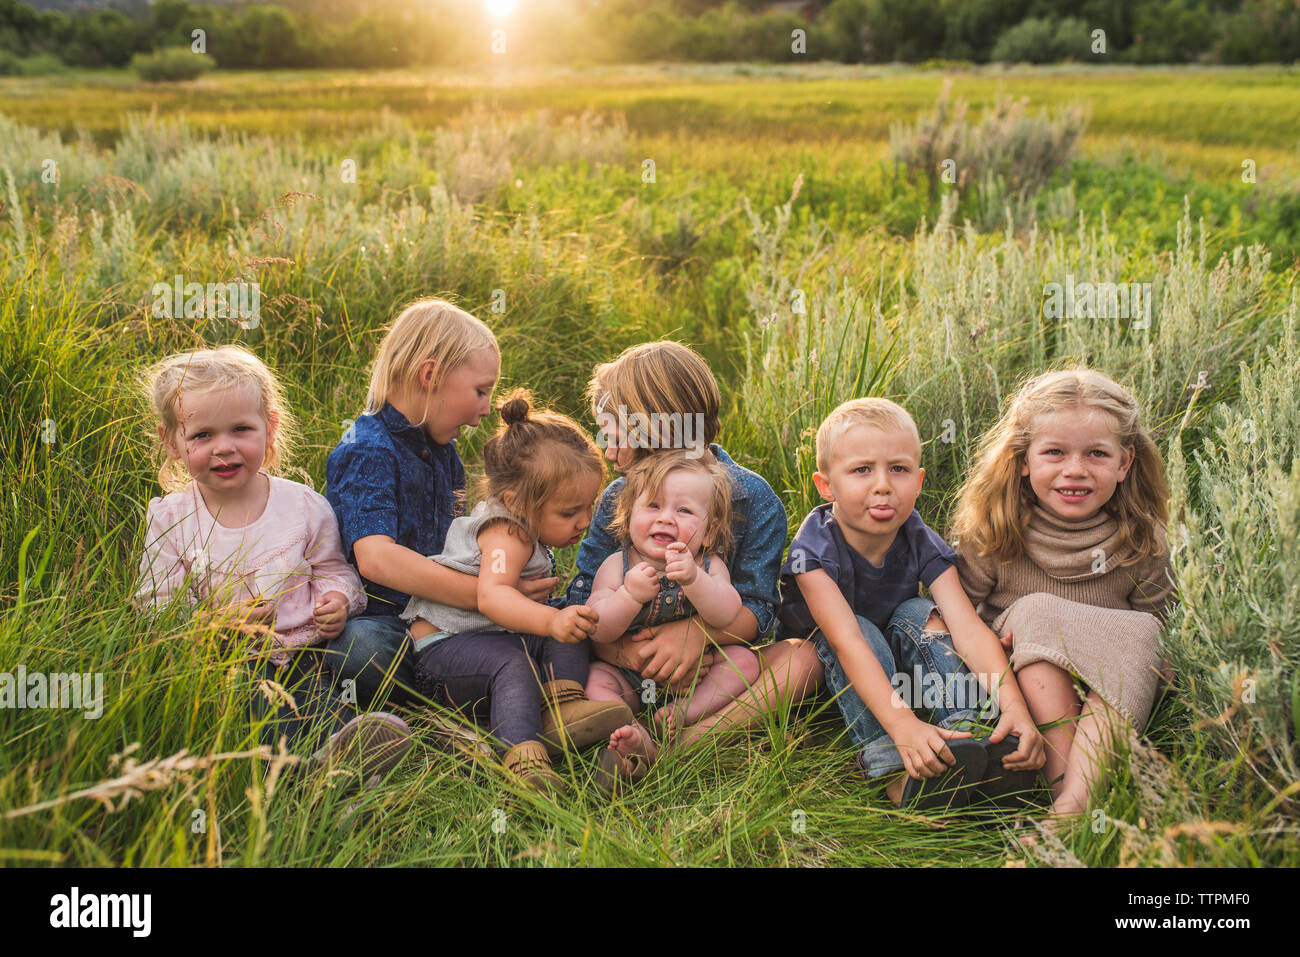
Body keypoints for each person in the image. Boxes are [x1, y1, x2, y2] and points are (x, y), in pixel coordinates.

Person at [135, 345, 411, 785]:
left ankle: (345, 758)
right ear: (172, 443)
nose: (224, 447)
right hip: (223, 656)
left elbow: (334, 570)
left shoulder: (302, 506)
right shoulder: (172, 518)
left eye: (241, 429)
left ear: (270, 428)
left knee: (318, 693)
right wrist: (214, 621)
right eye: (202, 435)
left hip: (305, 647)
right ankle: (303, 776)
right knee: (254, 696)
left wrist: (336, 599)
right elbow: (157, 603)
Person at [779, 397, 1045, 810]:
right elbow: (847, 641)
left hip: (892, 654)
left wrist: (1014, 705)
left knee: (921, 613)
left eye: (898, 469)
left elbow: (967, 627)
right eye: (862, 470)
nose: (883, 484)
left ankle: (971, 736)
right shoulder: (812, 549)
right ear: (826, 485)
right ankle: (895, 774)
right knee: (861, 628)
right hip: (832, 670)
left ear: (918, 481)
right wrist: (902, 722)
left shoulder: (916, 535)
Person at [566, 340, 820, 748]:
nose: (610, 455)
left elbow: (757, 612)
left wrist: (697, 634)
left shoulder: (752, 500)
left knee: (805, 660)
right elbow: (581, 597)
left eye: (615, 438)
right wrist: (624, 655)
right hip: (625, 659)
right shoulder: (620, 495)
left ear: (655, 430)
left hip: (712, 669)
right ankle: (625, 732)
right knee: (566, 655)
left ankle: (689, 742)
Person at [950, 368, 1176, 820]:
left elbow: (1166, 634)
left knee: (1144, 632)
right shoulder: (994, 532)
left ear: (1124, 463)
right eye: (1054, 452)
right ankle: (1067, 793)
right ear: (1023, 460)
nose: (1075, 470)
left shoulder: (1142, 539)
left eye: (1097, 454)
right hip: (1024, 685)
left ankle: (1071, 807)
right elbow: (958, 614)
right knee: (1035, 614)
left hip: (1112, 697)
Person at [325, 298, 557, 708]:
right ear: (430, 375)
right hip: (387, 617)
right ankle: (459, 688)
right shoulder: (368, 448)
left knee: (555, 616)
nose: (486, 409)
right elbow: (376, 559)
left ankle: (497, 682)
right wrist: (489, 596)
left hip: (442, 613)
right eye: (480, 391)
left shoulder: (443, 451)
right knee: (361, 650)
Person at [401, 390, 634, 793]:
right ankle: (524, 762)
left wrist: (560, 620)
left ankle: (561, 708)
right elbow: (492, 596)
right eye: (568, 512)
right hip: (444, 649)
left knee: (573, 620)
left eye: (589, 506)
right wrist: (551, 621)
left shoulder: (523, 521)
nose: (584, 521)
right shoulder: (506, 533)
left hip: (489, 636)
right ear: (516, 502)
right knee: (518, 658)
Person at [584, 451, 760, 787]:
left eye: (684, 511)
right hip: (629, 675)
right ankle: (633, 733)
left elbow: (728, 614)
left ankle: (681, 716)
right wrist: (629, 596)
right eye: (653, 506)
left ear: (709, 533)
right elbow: (599, 630)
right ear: (628, 516)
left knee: (743, 663)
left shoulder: (708, 565)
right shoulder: (615, 566)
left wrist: (695, 581)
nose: (666, 519)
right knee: (593, 680)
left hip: (696, 674)